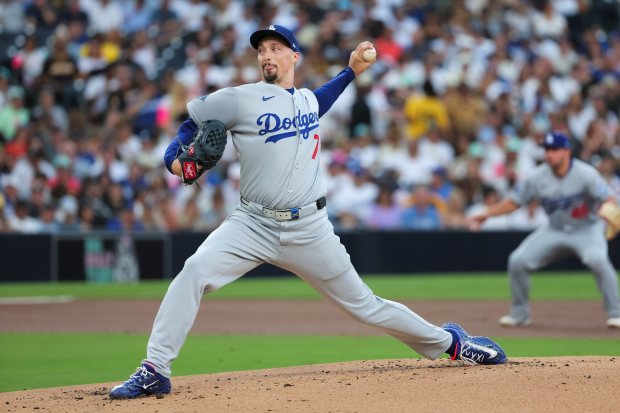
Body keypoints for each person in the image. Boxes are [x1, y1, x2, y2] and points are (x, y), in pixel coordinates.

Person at [109, 25, 507, 400]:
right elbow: (186, 128)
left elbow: (323, 98)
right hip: (252, 223)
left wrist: (351, 72)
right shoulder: (236, 98)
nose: (267, 55)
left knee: (365, 305)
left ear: (293, 56)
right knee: (193, 272)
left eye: (275, 48)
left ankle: (452, 342)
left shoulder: (306, 101)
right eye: (262, 50)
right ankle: (155, 369)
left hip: (311, 229)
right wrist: (177, 163)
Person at [469, 131, 620, 329]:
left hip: (586, 229)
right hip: (554, 230)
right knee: (518, 260)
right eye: (547, 149)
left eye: (555, 149)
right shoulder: (536, 176)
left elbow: (608, 198)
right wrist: (486, 214)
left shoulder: (586, 174)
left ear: (566, 151)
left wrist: (607, 210)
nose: (549, 154)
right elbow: (514, 202)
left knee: (598, 260)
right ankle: (519, 314)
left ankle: (616, 314)